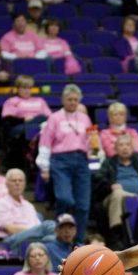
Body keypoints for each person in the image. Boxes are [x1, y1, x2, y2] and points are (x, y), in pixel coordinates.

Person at [37, 84, 93, 243]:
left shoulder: (85, 118)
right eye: (69, 99)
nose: (72, 102)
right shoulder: (54, 118)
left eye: (76, 100)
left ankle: (79, 241)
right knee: (65, 199)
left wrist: (95, 154)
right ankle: (59, 234)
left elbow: (92, 142)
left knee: (83, 206)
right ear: (63, 100)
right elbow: (45, 143)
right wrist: (44, 167)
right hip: (60, 161)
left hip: (81, 161)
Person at [0, 169, 56, 252]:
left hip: (32, 239)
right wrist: (35, 230)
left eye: (20, 181)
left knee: (51, 239)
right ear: (7, 184)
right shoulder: (2, 203)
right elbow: (10, 229)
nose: (17, 183)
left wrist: (36, 231)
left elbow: (38, 227)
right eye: (14, 181)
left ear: (24, 184)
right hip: (10, 241)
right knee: (48, 225)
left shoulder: (29, 206)